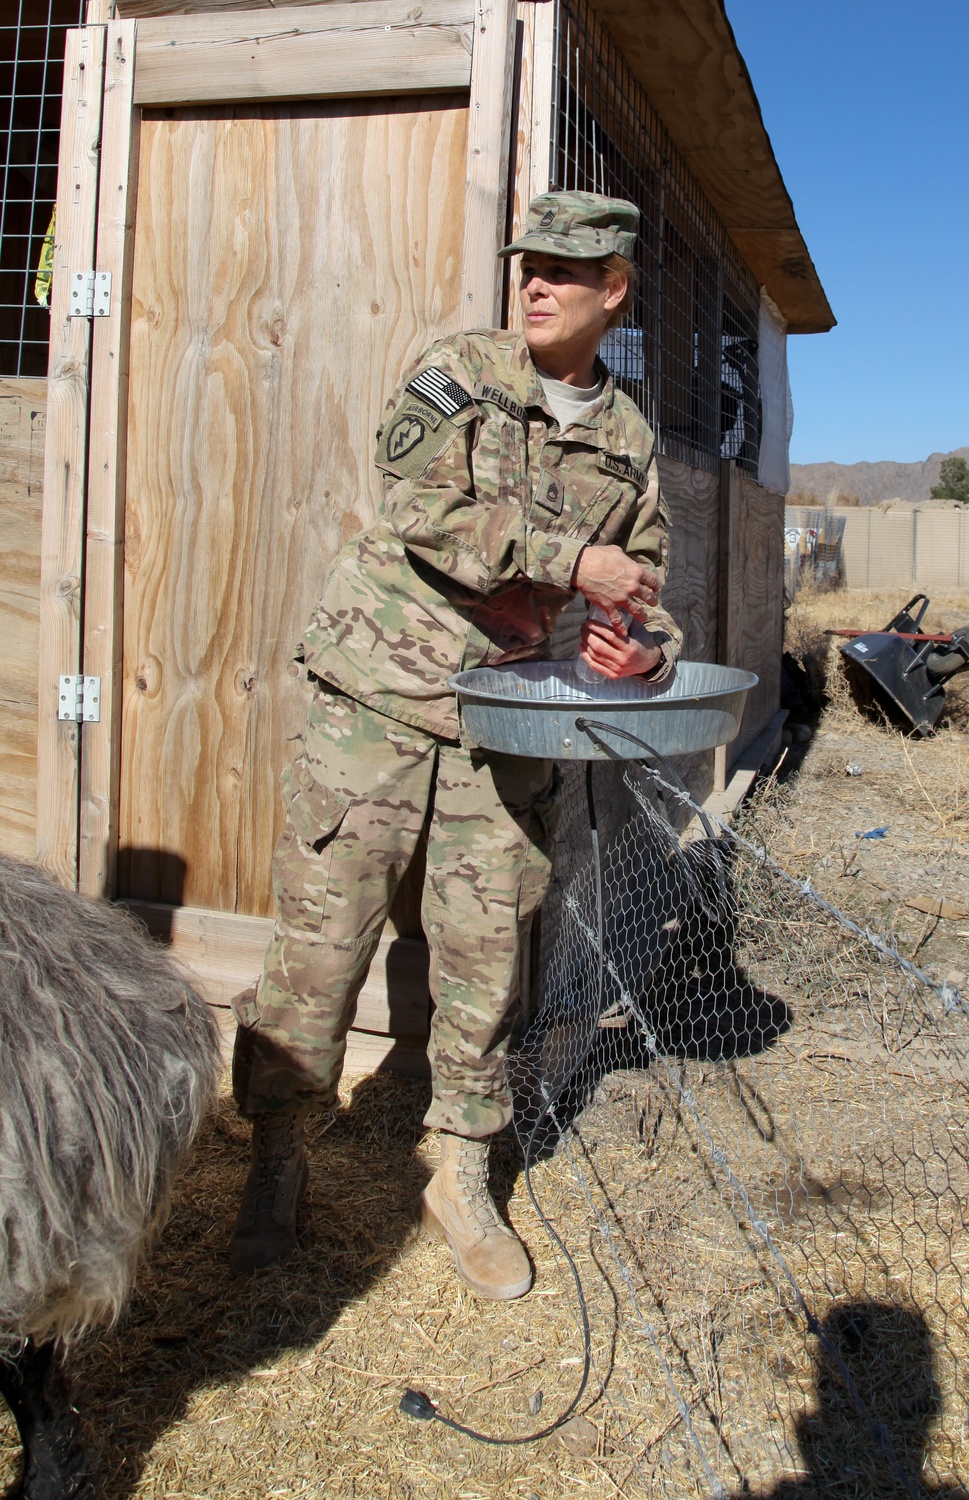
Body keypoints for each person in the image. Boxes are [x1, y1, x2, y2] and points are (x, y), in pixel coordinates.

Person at [229, 191, 683, 1296]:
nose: (534, 283)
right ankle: (278, 1155)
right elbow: (417, 505)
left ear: (612, 288)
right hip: (376, 700)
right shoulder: (461, 372)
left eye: (563, 272)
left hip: (507, 725)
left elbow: (648, 589)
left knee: (487, 960)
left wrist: (646, 653)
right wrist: (573, 564)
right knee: (321, 940)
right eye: (527, 264)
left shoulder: (627, 437)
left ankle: (462, 1172)